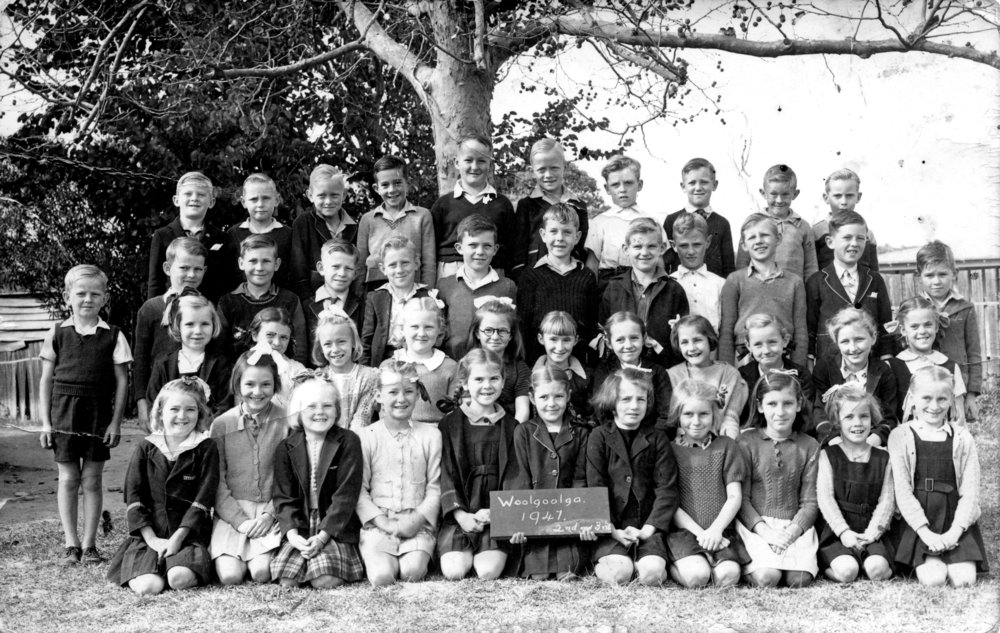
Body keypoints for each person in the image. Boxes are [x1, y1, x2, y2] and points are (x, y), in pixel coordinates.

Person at [38, 265, 131, 565]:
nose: (87, 299)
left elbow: (121, 382)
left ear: (104, 298)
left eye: (95, 294)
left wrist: (115, 422)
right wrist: (45, 423)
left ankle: (90, 544)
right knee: (68, 478)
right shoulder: (56, 333)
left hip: (97, 415)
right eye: (80, 293)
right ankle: (71, 543)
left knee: (91, 480)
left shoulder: (114, 335)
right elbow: (45, 381)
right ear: (67, 297)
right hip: (64, 413)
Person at [105, 378, 219, 595]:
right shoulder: (146, 447)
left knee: (179, 579)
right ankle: (152, 568)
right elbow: (134, 496)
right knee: (149, 587)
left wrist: (177, 539)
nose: (182, 416)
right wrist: (153, 540)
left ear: (200, 413)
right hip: (151, 534)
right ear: (159, 412)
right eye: (174, 409)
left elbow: (203, 499)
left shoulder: (205, 447)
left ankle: (176, 566)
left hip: (188, 536)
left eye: (190, 409)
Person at [888, 366, 987, 587]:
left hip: (953, 518)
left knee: (964, 580)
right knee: (933, 580)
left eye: (942, 399)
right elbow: (902, 493)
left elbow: (970, 493)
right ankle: (925, 555)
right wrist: (926, 534)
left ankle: (955, 550)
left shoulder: (962, 437)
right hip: (918, 521)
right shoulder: (900, 435)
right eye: (926, 398)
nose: (934, 406)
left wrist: (954, 533)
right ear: (912, 398)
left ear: (952, 399)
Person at [270, 377, 365, 588]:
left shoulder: (349, 441)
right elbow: (283, 496)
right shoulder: (286, 447)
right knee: (287, 580)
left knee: (324, 580)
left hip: (334, 525)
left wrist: (322, 537)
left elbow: (346, 496)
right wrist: (292, 535)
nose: (320, 412)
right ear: (298, 411)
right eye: (311, 406)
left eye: (327, 406)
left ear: (337, 410)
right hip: (301, 522)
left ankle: (327, 558)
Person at [587, 368, 678, 586]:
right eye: (626, 399)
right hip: (612, 528)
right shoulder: (599, 436)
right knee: (618, 575)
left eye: (641, 399)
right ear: (612, 401)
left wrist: (648, 529)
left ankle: (649, 562)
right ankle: (618, 561)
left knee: (653, 575)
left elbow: (667, 489)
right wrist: (612, 530)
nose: (634, 406)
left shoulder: (657, 438)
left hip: (647, 527)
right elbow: (595, 487)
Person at [356, 360, 442, 586]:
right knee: (382, 577)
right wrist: (383, 522)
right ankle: (378, 554)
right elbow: (359, 491)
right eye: (393, 392)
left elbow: (435, 487)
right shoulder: (366, 437)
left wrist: (416, 519)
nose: (401, 399)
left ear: (418, 394)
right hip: (379, 524)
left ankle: (420, 550)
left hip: (417, 522)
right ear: (378, 396)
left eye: (409, 391)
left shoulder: (431, 436)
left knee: (412, 571)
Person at [437, 349, 521, 580]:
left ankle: (489, 547)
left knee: (487, 571)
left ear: (503, 382)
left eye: (494, 378)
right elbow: (446, 473)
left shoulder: (512, 427)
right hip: (461, 514)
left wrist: (498, 512)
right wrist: (461, 515)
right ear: (464, 383)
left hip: (498, 515)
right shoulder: (450, 425)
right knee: (454, 571)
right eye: (479, 379)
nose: (487, 386)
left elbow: (516, 476)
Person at [508, 366, 594, 580]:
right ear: (532, 398)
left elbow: (581, 479)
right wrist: (518, 523)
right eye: (544, 397)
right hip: (534, 520)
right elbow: (520, 479)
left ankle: (569, 556)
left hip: (569, 521)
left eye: (558, 396)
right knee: (539, 575)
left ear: (568, 396)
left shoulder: (582, 432)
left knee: (569, 571)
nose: (551, 403)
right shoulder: (524, 432)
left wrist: (582, 521)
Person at [209, 351, 288, 585]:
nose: (257, 391)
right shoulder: (222, 425)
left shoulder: (287, 421)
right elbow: (216, 481)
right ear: (237, 384)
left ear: (276, 385)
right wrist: (239, 521)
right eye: (250, 384)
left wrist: (270, 514)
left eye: (266, 384)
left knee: (261, 573)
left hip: (269, 510)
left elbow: (291, 478)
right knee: (230, 576)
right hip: (232, 512)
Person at [737, 371, 820, 588]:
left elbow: (810, 502)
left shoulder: (809, 446)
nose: (780, 412)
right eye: (772, 404)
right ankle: (753, 566)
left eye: (788, 403)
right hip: (756, 526)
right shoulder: (746, 442)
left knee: (798, 580)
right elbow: (742, 500)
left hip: (794, 525)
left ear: (799, 404)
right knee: (767, 577)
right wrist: (767, 533)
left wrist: (791, 532)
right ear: (761, 406)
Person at [666, 380, 748, 588]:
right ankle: (674, 565)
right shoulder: (670, 451)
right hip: (685, 531)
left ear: (714, 415)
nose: (696, 421)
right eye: (688, 414)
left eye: (703, 414)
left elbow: (734, 496)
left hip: (720, 530)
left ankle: (715, 561)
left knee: (728, 577)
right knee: (698, 577)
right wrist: (701, 534)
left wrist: (715, 531)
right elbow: (671, 503)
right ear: (678, 415)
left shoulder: (727, 447)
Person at [815, 384, 895, 583]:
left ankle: (874, 562)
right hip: (837, 531)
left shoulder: (884, 457)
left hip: (872, 530)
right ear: (837, 421)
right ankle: (833, 565)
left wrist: (873, 533)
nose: (857, 423)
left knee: (876, 570)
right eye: (849, 417)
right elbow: (825, 498)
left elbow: (887, 500)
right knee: (847, 572)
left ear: (872, 418)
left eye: (864, 416)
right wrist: (843, 532)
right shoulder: (828, 455)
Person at [133, 237, 206, 431]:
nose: (191, 274)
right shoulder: (151, 309)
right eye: (184, 268)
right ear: (167, 268)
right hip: (161, 397)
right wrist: (142, 404)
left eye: (198, 269)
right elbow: (140, 360)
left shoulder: (206, 308)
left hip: (197, 400)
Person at [719, 213, 808, 366]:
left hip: (782, 356)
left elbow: (801, 332)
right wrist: (726, 370)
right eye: (752, 237)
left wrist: (799, 368)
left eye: (765, 235)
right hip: (744, 358)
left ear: (778, 239)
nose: (759, 241)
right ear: (744, 245)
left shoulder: (794, 282)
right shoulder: (735, 280)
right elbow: (726, 330)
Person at [600, 217, 689, 368]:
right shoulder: (614, 288)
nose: (644, 252)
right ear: (626, 249)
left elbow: (683, 337)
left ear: (661, 248)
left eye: (652, 246)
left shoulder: (674, 290)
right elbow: (603, 330)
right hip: (621, 369)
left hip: (662, 368)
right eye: (637, 246)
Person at [806, 210, 893, 363]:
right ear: (830, 242)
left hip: (870, 364)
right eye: (847, 237)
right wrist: (810, 360)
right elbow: (810, 329)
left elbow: (885, 324)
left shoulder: (875, 279)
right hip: (829, 366)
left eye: (860, 238)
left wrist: (887, 359)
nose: (854, 244)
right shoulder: (817, 281)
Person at [517, 203, 598, 364]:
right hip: (539, 365)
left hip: (577, 366)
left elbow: (591, 326)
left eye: (567, 232)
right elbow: (524, 327)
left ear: (577, 237)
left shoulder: (586, 276)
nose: (560, 238)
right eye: (553, 231)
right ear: (543, 234)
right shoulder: (530, 276)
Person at [430, 134, 516, 277]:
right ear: (457, 163)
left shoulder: (502, 204)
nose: (474, 167)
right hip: (451, 272)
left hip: (493, 271)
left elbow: (511, 247)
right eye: (468, 160)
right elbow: (430, 249)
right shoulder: (443, 204)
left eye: (481, 161)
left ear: (490, 164)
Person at [436, 214, 517, 359]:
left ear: (495, 249)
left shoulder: (507, 287)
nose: (480, 252)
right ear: (459, 248)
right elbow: (440, 331)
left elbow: (512, 332)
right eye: (473, 245)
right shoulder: (445, 286)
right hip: (454, 365)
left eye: (487, 246)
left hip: (492, 368)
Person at [813, 308, 898, 446]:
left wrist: (871, 442)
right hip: (835, 441)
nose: (853, 348)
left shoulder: (882, 371)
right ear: (836, 342)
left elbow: (889, 417)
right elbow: (818, 412)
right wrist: (835, 441)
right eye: (845, 342)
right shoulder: (825, 368)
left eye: (859, 339)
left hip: (871, 441)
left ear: (873, 338)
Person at [917, 240, 982, 422]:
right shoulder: (913, 309)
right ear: (919, 275)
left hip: (956, 388)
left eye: (943, 274)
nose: (936, 281)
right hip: (923, 388)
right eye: (929, 275)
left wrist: (971, 395)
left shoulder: (965, 308)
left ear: (954, 274)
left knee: (956, 436)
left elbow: (973, 353)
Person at [217, 235, 308, 363]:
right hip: (239, 377)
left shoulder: (290, 300)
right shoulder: (227, 302)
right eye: (253, 261)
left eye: (266, 261)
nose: (259, 268)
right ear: (241, 263)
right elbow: (219, 350)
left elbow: (300, 350)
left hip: (283, 376)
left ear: (276, 264)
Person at [146, 171, 234, 302]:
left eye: (201, 195)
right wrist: (154, 311)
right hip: (172, 308)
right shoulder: (162, 235)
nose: (194, 198)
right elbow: (155, 281)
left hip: (208, 310)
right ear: (176, 200)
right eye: (188, 194)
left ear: (211, 202)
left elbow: (226, 281)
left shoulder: (221, 238)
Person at [356, 155, 436, 291]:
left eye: (397, 183)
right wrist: (358, 294)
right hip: (375, 289)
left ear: (407, 184)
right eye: (385, 185)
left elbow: (429, 261)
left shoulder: (422, 216)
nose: (392, 190)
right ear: (376, 188)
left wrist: (427, 292)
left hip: (412, 287)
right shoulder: (368, 219)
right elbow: (360, 263)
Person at [585, 155, 665, 291]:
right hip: (609, 285)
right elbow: (592, 264)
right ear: (607, 188)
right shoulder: (600, 222)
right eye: (615, 185)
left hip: (645, 283)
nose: (622, 189)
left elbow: (659, 262)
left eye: (628, 183)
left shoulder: (652, 220)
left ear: (639, 185)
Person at [147, 292, 232, 417]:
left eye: (205, 324)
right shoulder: (163, 364)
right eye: (189, 324)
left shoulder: (222, 365)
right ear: (178, 327)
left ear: (213, 325)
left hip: (209, 433)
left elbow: (225, 407)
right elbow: (154, 405)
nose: (197, 331)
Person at [513, 138, 589, 275]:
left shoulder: (579, 207)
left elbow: (581, 248)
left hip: (570, 279)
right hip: (534, 280)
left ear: (564, 167)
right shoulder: (526, 206)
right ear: (532, 170)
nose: (548, 175)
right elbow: (518, 251)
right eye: (541, 169)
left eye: (554, 168)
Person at [888, 296, 967, 424]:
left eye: (928, 325)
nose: (922, 331)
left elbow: (959, 417)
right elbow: (889, 414)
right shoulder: (893, 367)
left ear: (936, 327)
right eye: (914, 326)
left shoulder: (949, 366)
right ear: (903, 330)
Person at [666, 315, 747, 439]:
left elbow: (730, 416)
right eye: (684, 342)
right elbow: (673, 419)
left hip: (719, 438)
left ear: (709, 339)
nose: (691, 348)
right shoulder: (673, 375)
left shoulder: (729, 374)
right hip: (684, 439)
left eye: (697, 340)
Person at [360, 235, 435, 366]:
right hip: (383, 361)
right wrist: (366, 371)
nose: (399, 270)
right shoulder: (376, 297)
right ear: (383, 269)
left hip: (418, 360)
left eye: (405, 263)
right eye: (392, 265)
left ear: (416, 263)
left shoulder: (427, 297)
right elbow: (366, 340)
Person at [736, 164, 818, 281]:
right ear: (763, 193)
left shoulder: (803, 227)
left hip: (792, 294)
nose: (779, 200)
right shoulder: (752, 225)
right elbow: (741, 265)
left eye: (785, 194)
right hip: (757, 293)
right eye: (773, 194)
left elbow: (811, 267)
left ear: (795, 194)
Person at [592, 311, 672, 430]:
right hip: (615, 439)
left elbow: (667, 415)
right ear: (609, 343)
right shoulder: (604, 372)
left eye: (634, 338)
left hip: (652, 440)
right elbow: (602, 413)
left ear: (644, 338)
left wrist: (650, 440)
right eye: (620, 340)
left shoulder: (658, 372)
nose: (628, 345)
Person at [290, 164, 358, 300]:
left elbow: (357, 267)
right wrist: (308, 303)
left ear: (343, 195)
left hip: (347, 300)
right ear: (310, 195)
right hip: (314, 300)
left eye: (334, 195)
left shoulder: (353, 226)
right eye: (321, 196)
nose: (328, 201)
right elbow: (298, 271)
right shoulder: (303, 223)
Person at [737, 313, 814, 432]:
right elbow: (742, 416)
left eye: (772, 342)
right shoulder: (742, 376)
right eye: (758, 344)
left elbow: (805, 416)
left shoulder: (800, 375)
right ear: (748, 346)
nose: (766, 351)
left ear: (785, 341)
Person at [389, 297, 458, 426]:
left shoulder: (450, 367)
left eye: (429, 327)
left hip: (437, 437)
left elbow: (454, 415)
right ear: (402, 330)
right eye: (414, 326)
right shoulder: (389, 366)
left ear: (440, 330)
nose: (421, 333)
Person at [662, 158, 736, 278]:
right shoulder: (671, 220)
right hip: (679, 289)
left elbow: (729, 267)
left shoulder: (722, 223)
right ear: (683, 186)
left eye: (704, 182)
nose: (698, 188)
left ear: (715, 185)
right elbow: (664, 263)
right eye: (692, 183)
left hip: (713, 291)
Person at [467, 299, 531, 422]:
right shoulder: (468, 364)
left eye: (502, 331)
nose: (495, 337)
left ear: (511, 335)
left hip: (508, 432)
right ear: (477, 333)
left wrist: (512, 436)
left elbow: (522, 410)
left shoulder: (519, 368)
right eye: (488, 330)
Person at [226, 173, 294, 289]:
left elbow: (293, 273)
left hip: (280, 300)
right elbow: (228, 273)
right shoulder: (233, 234)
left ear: (276, 200)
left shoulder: (288, 234)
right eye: (253, 199)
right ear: (243, 202)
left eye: (266, 198)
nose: (260, 204)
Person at [313, 313, 379, 431]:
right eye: (328, 344)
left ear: (353, 342)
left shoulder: (368, 377)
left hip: (356, 442)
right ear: (321, 348)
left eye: (341, 341)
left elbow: (361, 419)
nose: (335, 349)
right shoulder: (317, 378)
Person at [304, 238, 364, 358]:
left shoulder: (363, 306)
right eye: (335, 267)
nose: (342, 273)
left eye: (348, 268)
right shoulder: (305, 306)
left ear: (355, 274)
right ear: (321, 268)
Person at [668, 212, 726, 332]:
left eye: (697, 245)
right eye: (684, 246)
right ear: (673, 245)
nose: (691, 252)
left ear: (708, 242)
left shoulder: (720, 284)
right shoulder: (667, 283)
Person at [533, 311, 594, 425]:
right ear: (541, 339)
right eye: (553, 339)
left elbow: (591, 415)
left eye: (566, 340)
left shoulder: (587, 377)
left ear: (575, 340)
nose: (560, 347)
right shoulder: (530, 376)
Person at [813, 169, 879, 272]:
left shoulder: (867, 235)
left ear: (858, 197)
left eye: (849, 196)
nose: (843, 202)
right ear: (826, 198)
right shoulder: (816, 233)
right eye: (837, 196)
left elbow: (874, 273)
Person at [245, 307, 307, 409]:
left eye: (283, 337)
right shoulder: (246, 364)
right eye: (270, 335)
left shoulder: (296, 370)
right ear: (254, 335)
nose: (277, 343)